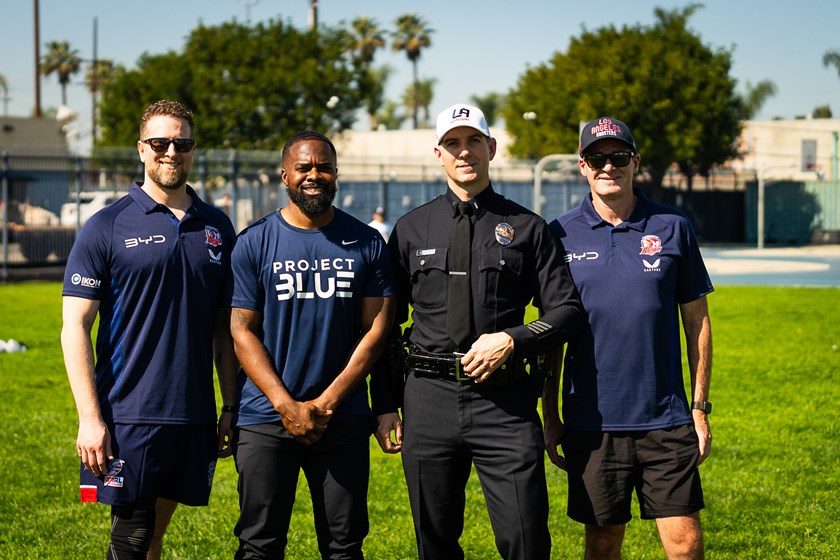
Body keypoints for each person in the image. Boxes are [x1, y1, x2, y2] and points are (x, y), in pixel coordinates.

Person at [371, 103, 584, 560]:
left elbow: (566, 311)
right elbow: (385, 326)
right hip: (428, 399)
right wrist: (385, 405)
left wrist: (513, 339)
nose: (463, 151)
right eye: (452, 143)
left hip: (505, 403)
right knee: (435, 543)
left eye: (473, 141)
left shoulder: (528, 227)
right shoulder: (411, 229)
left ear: (492, 147)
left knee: (526, 540)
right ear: (438, 153)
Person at [61, 99, 238, 560]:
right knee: (132, 537)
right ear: (141, 149)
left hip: (193, 413)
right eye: (160, 143)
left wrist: (230, 405)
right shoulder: (106, 225)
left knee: (155, 533)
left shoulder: (217, 227)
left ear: (193, 150)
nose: (171, 152)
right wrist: (89, 418)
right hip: (129, 414)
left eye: (182, 143)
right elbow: (75, 326)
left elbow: (224, 329)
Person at [547, 117, 713, 560]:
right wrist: (550, 415)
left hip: (666, 418)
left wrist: (699, 408)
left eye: (618, 156)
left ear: (635, 162)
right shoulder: (559, 234)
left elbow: (697, 322)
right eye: (597, 158)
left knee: (685, 545)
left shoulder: (672, 226)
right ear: (582, 166)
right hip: (591, 422)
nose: (609, 166)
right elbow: (552, 334)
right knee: (603, 543)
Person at [227, 130, 395, 559]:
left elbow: (376, 332)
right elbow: (242, 331)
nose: (314, 175)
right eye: (303, 167)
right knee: (258, 546)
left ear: (337, 174)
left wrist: (328, 402)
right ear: (285, 175)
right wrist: (285, 405)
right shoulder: (254, 241)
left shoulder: (367, 242)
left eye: (324, 168)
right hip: (266, 416)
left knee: (344, 547)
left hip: (342, 416)